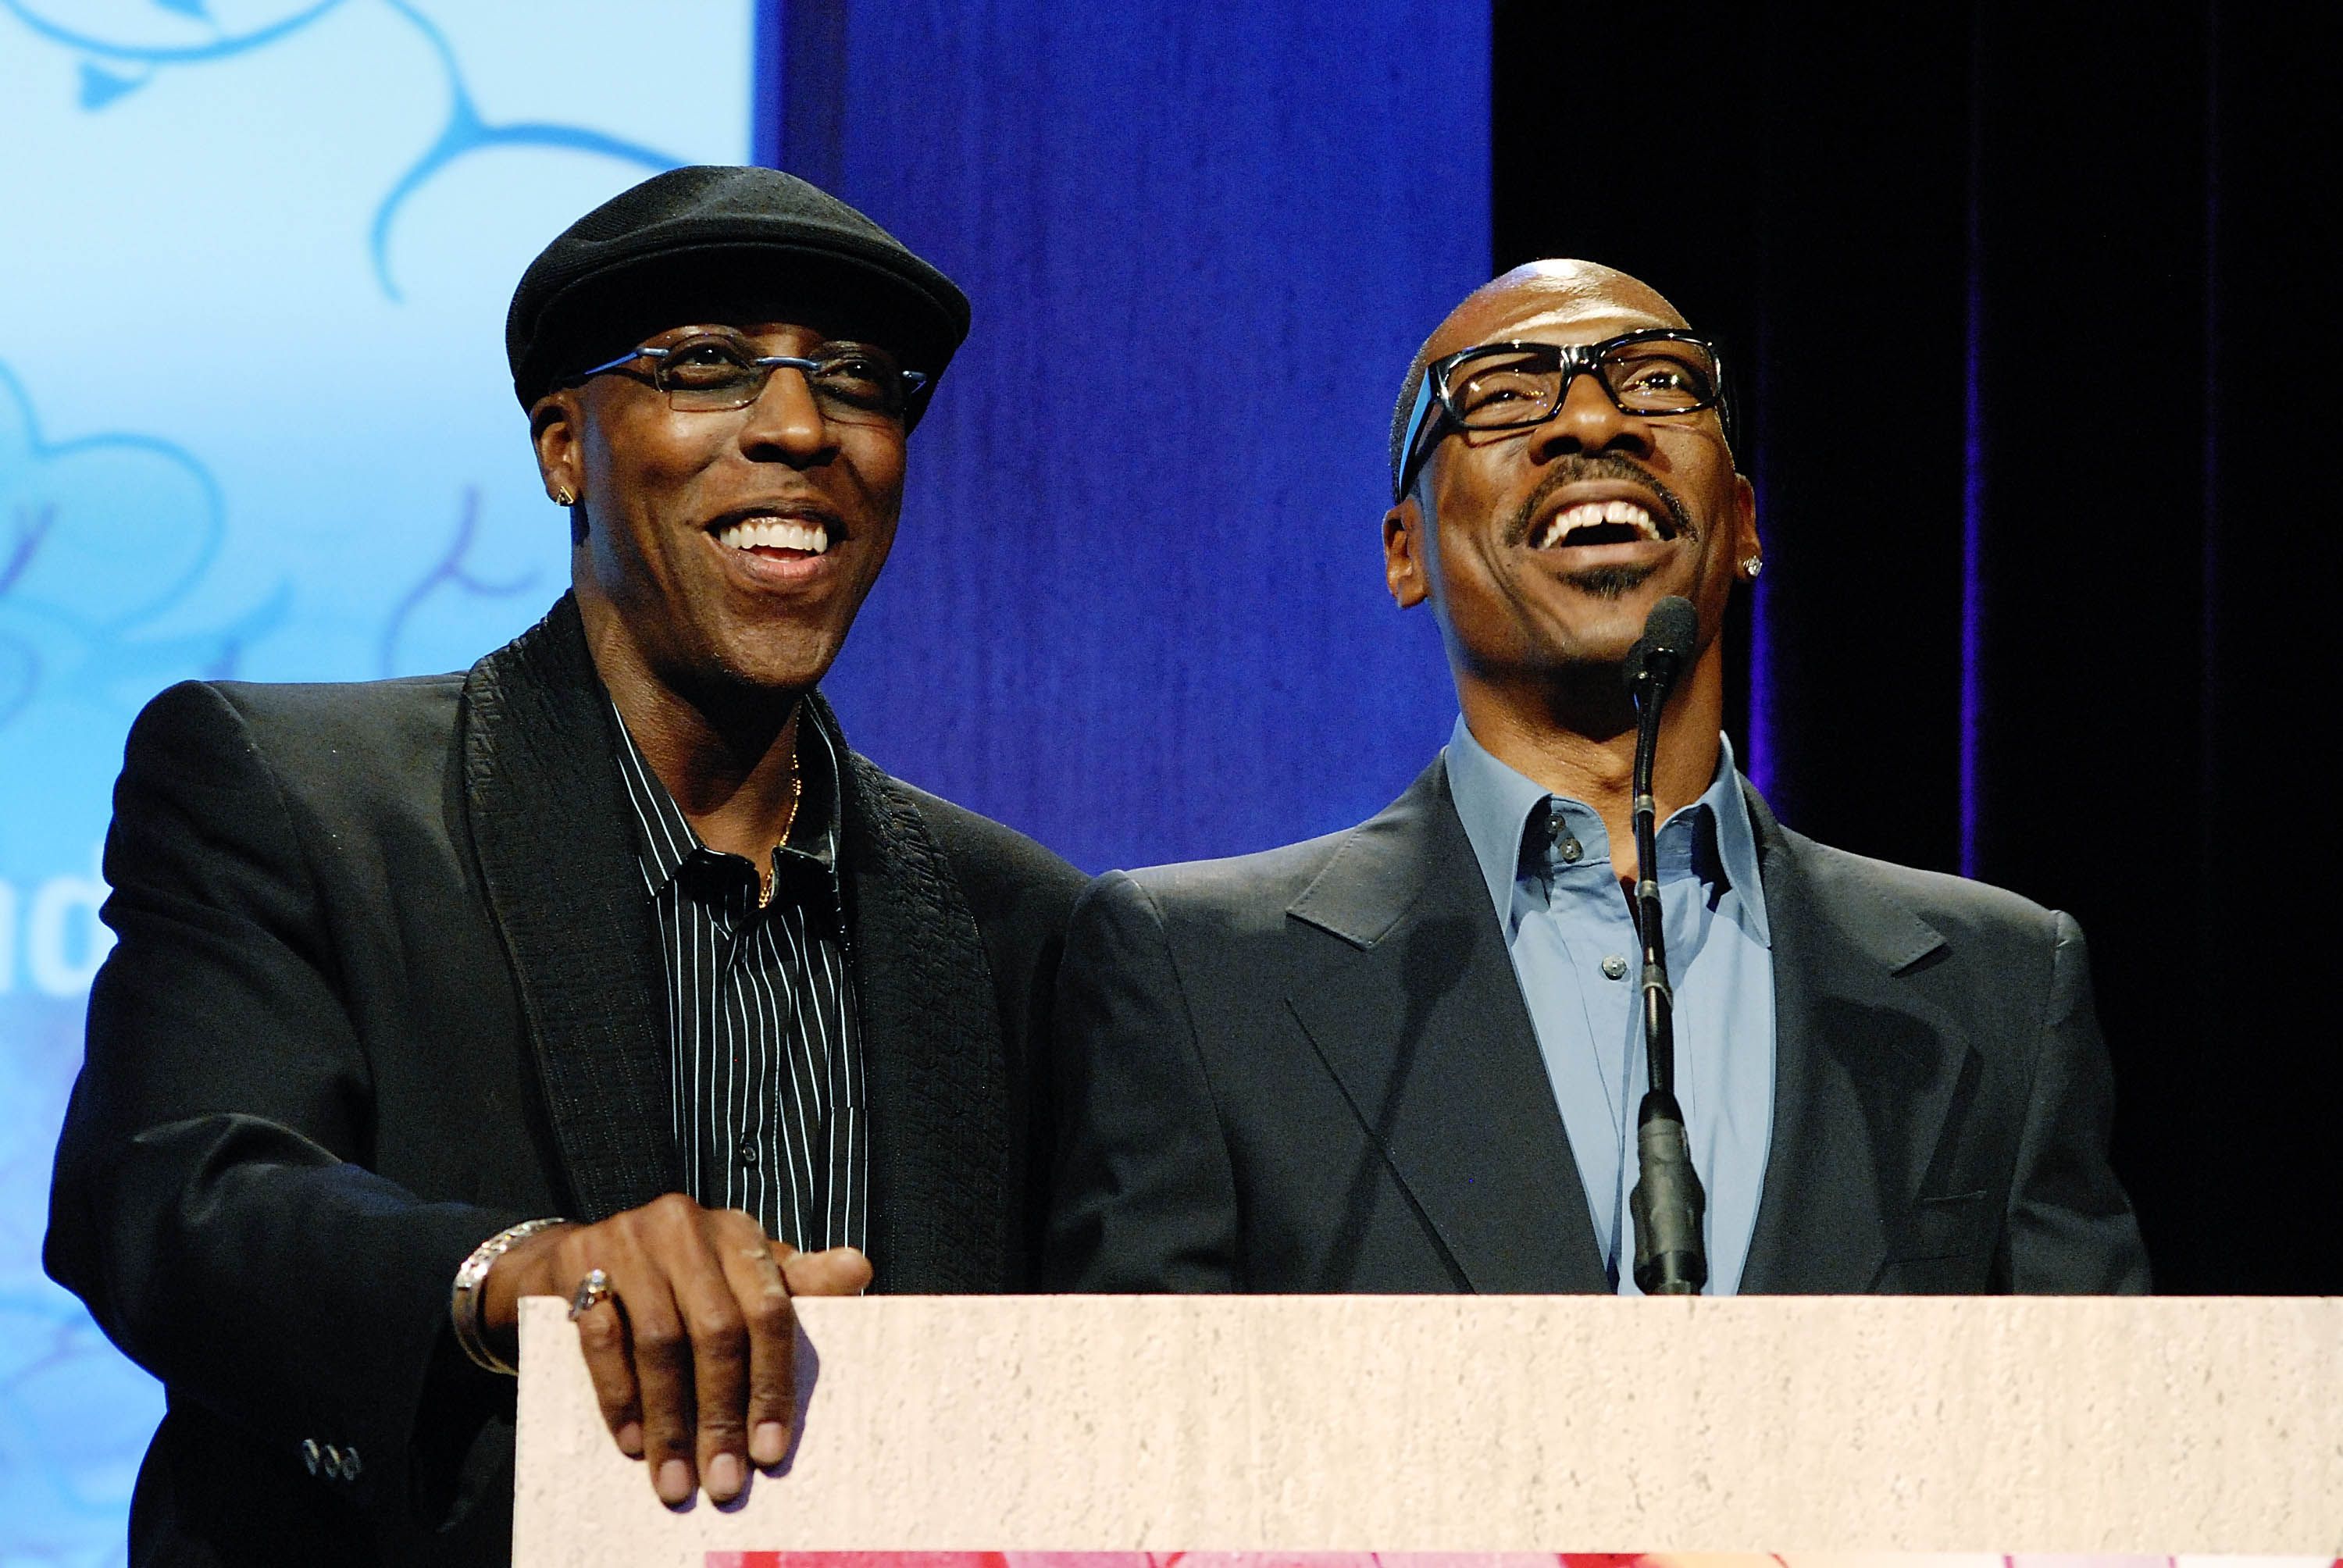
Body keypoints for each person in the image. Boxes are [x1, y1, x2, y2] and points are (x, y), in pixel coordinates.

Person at [46, 166, 1086, 1565]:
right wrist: (522, 1274)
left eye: (855, 379)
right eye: (706, 364)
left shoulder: (1023, 922)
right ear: (564, 449)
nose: (798, 427)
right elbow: (174, 1204)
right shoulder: (291, 793)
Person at [1043, 259, 2149, 1298]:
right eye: (1502, 393)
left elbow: (2096, 1416)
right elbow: (1135, 1421)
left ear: (1746, 523)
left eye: (1659, 381)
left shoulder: (2004, 986)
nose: (1591, 420)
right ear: (1405, 553)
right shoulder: (1197, 978)